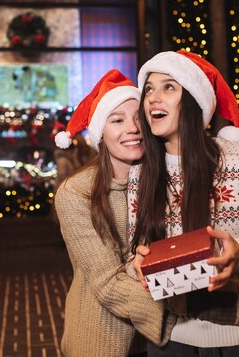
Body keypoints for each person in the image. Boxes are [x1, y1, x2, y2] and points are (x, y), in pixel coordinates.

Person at [129, 50, 239, 356]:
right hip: (171, 344)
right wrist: (137, 263)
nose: (153, 98)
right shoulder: (142, 173)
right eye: (148, 89)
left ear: (193, 99)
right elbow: (130, 256)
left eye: (169, 87)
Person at [52, 69, 176, 357]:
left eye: (138, 119)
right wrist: (176, 319)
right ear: (101, 133)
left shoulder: (161, 181)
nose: (132, 129)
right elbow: (107, 282)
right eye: (117, 120)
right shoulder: (76, 192)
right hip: (102, 337)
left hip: (159, 347)